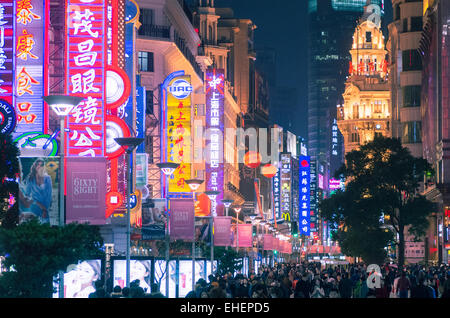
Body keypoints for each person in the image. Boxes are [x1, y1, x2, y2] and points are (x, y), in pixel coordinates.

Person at [21, 159, 53, 223]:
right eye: (38, 165)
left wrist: (45, 209)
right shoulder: (30, 178)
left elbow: (49, 195)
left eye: (41, 165)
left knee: (45, 226)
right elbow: (27, 195)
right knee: (34, 226)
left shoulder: (48, 178)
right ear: (35, 166)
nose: (39, 166)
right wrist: (36, 202)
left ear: (43, 167)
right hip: (34, 207)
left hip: (45, 207)